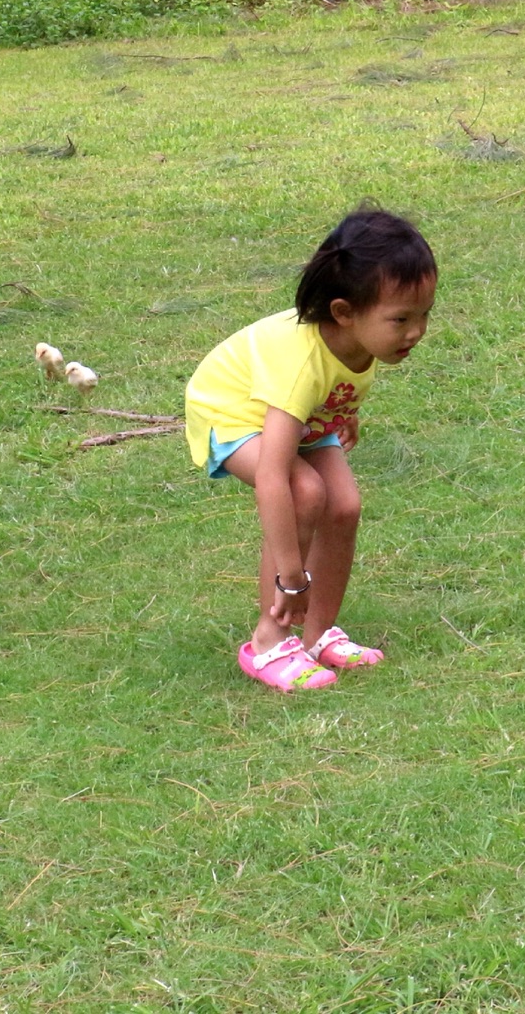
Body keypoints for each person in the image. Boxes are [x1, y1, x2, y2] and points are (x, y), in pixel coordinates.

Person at [185, 208, 436, 691]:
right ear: (343, 312)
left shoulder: (362, 340)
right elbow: (274, 478)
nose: (416, 331)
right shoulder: (298, 364)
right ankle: (269, 642)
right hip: (236, 411)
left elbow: (336, 378)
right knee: (305, 491)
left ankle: (318, 636)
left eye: (425, 314)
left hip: (301, 415)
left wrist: (343, 414)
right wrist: (291, 573)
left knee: (343, 504)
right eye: (401, 318)